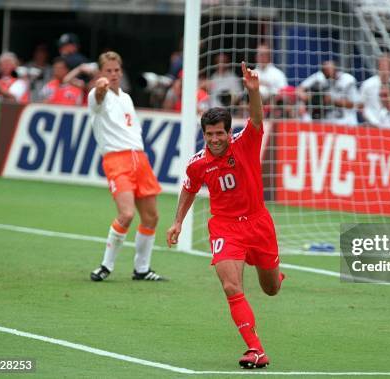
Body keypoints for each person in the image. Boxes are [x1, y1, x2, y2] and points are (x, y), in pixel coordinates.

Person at [166, 62, 284, 369]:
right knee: (231, 286)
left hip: (258, 223)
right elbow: (189, 188)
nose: (215, 139)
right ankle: (256, 349)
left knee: (271, 288)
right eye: (209, 134)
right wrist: (178, 221)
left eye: (220, 133)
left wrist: (253, 91)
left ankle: (271, 271)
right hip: (225, 228)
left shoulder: (245, 144)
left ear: (229, 132)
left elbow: (257, 118)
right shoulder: (197, 163)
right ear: (203, 133)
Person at [88, 51, 165, 282]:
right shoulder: (96, 95)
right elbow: (99, 94)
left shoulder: (126, 98)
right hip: (116, 160)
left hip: (139, 158)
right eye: (108, 71)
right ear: (100, 73)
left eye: (116, 70)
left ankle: (141, 269)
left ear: (121, 71)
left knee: (151, 217)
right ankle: (106, 265)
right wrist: (100, 86)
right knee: (127, 214)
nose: (112, 74)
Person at [296, 60, 359, 125]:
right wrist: (305, 99)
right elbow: (299, 90)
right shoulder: (320, 77)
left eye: (328, 71)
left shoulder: (348, 80)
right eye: (324, 71)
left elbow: (357, 105)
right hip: (327, 122)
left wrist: (333, 101)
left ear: (336, 70)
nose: (325, 75)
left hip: (346, 122)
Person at [360, 53, 390, 126]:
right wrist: (374, 122)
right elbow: (361, 106)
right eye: (381, 66)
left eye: (386, 67)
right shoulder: (368, 84)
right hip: (371, 125)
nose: (383, 69)